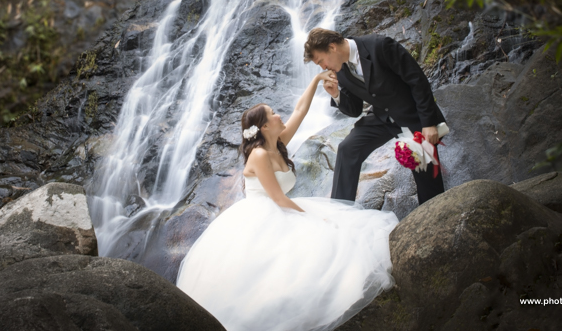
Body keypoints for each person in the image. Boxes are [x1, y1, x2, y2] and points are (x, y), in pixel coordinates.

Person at [176, 71, 398, 331]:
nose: (279, 115)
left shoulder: (277, 142)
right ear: (265, 126)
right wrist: (314, 215)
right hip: (260, 217)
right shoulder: (259, 155)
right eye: (272, 113)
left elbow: (300, 110)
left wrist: (316, 81)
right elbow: (279, 199)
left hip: (278, 210)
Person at [304, 27, 446, 204]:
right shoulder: (341, 70)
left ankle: (435, 217)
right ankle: (340, 209)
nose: (323, 68)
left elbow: (417, 80)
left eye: (320, 62)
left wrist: (428, 123)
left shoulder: (380, 46)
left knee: (427, 181)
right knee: (347, 149)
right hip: (381, 117)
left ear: (332, 47)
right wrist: (336, 95)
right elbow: (355, 110)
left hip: (412, 117)